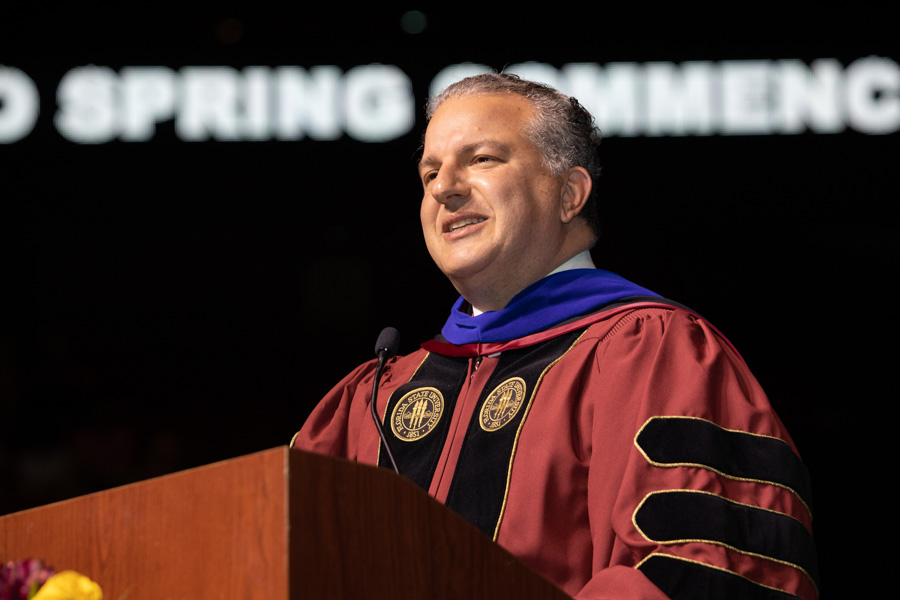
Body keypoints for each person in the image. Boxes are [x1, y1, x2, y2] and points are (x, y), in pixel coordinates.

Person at [291, 73, 818, 600]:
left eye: (482, 159)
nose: (443, 187)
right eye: (430, 172)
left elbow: (694, 567)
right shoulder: (373, 398)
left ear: (569, 193)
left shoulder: (652, 352)